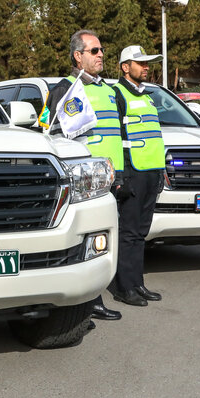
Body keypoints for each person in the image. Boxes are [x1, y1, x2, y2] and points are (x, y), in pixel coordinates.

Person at [44, 30, 122, 321]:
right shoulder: (66, 89)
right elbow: (51, 134)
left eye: (102, 50)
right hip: (83, 183)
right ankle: (86, 305)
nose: (101, 54)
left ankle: (96, 297)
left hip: (110, 177)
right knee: (84, 241)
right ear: (78, 56)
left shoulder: (106, 88)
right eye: (94, 50)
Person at [109, 45, 165, 306]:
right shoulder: (117, 95)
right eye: (140, 63)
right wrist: (122, 176)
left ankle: (137, 283)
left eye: (147, 63)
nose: (146, 67)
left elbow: (154, 137)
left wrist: (162, 171)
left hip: (152, 173)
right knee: (129, 233)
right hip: (133, 173)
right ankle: (124, 287)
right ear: (125, 67)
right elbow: (116, 139)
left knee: (141, 232)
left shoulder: (148, 96)